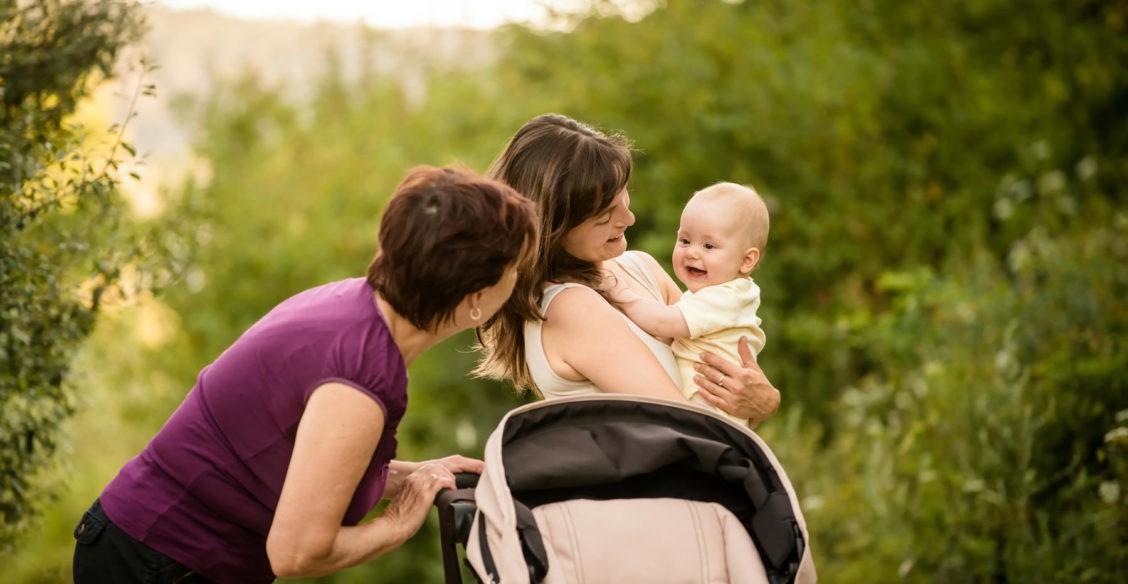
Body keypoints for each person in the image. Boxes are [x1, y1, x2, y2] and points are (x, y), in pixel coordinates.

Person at [72, 165, 540, 583]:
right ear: (475, 299)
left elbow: (302, 465)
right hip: (161, 562)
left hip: (139, 546)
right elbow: (296, 552)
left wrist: (411, 477)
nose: (519, 278)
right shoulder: (359, 378)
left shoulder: (353, 307)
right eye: (515, 269)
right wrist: (401, 518)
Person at [475, 113, 779, 425]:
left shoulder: (640, 267)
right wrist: (761, 405)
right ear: (556, 227)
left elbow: (726, 376)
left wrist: (765, 401)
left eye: (623, 196)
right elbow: (692, 427)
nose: (628, 218)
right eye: (606, 214)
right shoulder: (569, 306)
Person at [610, 181, 771, 427]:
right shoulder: (715, 294)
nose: (692, 253)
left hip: (710, 410)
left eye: (709, 246)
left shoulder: (727, 297)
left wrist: (620, 294)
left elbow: (662, 322)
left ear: (747, 260)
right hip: (706, 409)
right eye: (685, 240)